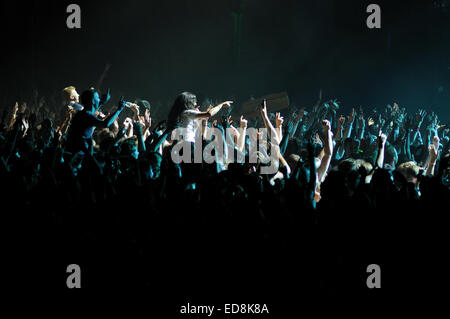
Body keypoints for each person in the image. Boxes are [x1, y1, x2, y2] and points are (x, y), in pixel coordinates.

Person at [64, 88, 126, 156]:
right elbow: (105, 124)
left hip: (76, 153)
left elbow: (92, 112)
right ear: (93, 101)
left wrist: (102, 102)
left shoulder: (82, 114)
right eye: (98, 98)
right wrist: (119, 110)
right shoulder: (86, 115)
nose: (99, 99)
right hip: (76, 156)